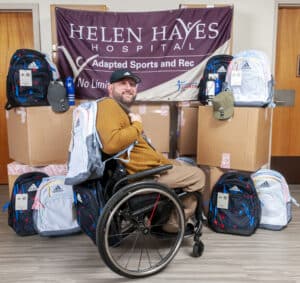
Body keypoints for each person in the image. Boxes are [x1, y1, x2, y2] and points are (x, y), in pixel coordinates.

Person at [96, 69, 206, 232]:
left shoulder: (120, 110)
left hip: (150, 168)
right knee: (198, 176)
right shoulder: (108, 105)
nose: (129, 87)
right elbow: (111, 144)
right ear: (110, 88)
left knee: (185, 164)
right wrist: (138, 125)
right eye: (122, 83)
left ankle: (165, 213)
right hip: (145, 175)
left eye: (132, 84)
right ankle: (173, 225)